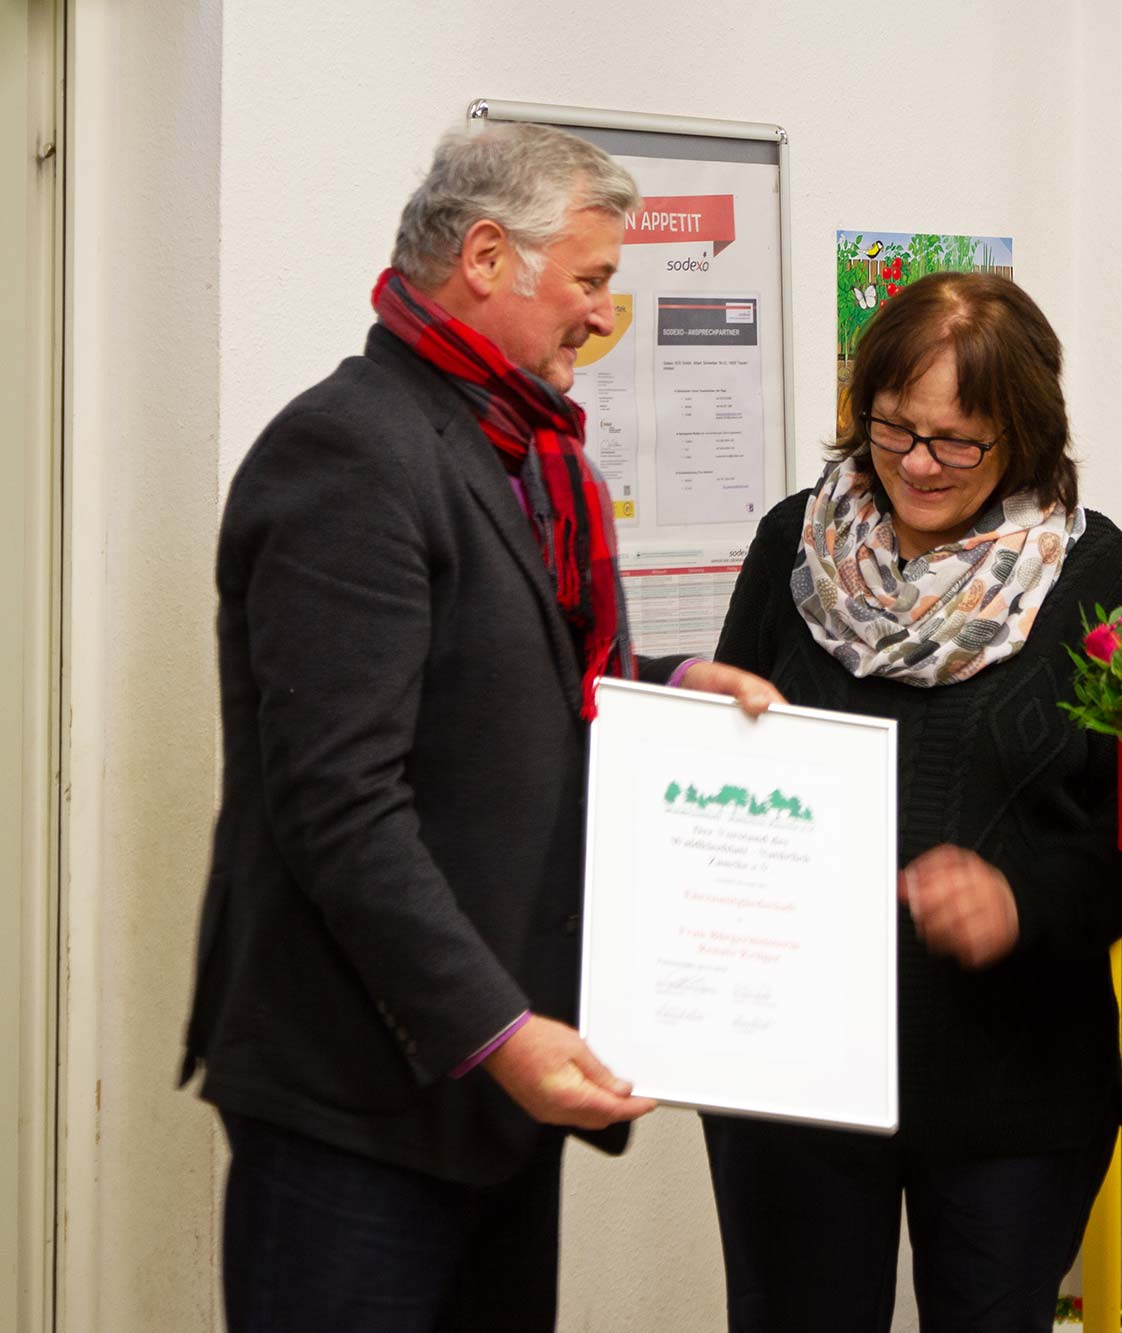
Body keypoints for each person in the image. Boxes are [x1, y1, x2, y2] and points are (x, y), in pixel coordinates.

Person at [180, 123, 780, 1333]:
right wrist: (497, 1031)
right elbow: (340, 802)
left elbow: (510, 681)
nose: (602, 320)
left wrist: (663, 683)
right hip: (366, 1091)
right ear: (489, 256)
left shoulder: (514, 448)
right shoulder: (351, 450)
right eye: (592, 281)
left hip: (492, 1090)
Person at [702, 270, 1122, 1332]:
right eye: (893, 428)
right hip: (794, 1080)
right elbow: (723, 769)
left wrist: (1023, 904)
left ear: (1024, 433)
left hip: (1012, 1088)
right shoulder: (791, 545)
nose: (916, 463)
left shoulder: (1091, 576)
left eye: (957, 439)